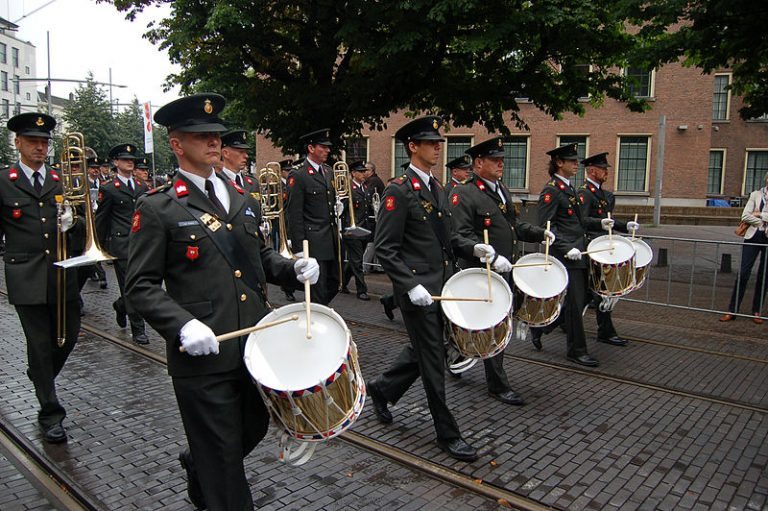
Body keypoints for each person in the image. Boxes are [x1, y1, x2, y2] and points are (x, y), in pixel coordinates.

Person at [125, 93, 320, 510]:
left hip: (252, 345)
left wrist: (292, 268)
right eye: (201, 136)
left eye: (216, 135)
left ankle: (200, 463)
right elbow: (139, 285)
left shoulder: (242, 198)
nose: (214, 142)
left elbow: (259, 258)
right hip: (203, 354)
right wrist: (182, 325)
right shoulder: (158, 206)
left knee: (250, 430)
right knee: (227, 468)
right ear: (176, 143)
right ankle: (212, 472)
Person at [367, 116, 497, 462]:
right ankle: (447, 434)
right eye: (431, 143)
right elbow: (385, 248)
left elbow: (448, 237)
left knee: (426, 351)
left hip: (442, 288)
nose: (439, 147)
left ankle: (381, 390)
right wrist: (409, 285)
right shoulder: (399, 189)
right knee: (433, 360)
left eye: (439, 143)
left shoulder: (438, 187)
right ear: (413, 147)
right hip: (418, 293)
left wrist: (472, 248)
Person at [450, 136, 555, 404]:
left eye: (501, 160)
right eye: (495, 160)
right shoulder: (464, 193)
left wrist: (539, 233)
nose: (500, 164)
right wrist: (487, 253)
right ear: (478, 163)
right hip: (478, 274)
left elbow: (513, 225)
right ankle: (489, 378)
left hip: (502, 271)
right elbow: (459, 236)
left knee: (495, 326)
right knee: (480, 325)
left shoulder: (501, 190)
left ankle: (475, 365)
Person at [0, 112, 81, 443]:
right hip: (26, 275)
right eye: (33, 141)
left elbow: (82, 229)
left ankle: (40, 374)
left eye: (44, 142)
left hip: (63, 273)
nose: (39, 147)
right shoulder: (4, 181)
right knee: (39, 343)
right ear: (18, 143)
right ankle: (50, 411)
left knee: (69, 336)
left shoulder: (62, 181)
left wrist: (72, 225)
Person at [530, 143, 599, 367]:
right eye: (572, 161)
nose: (576, 164)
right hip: (566, 256)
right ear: (559, 163)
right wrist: (565, 247)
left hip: (579, 253)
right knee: (576, 303)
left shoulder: (570, 189)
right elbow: (546, 226)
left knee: (579, 300)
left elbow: (579, 222)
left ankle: (541, 327)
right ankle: (576, 350)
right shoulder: (551, 190)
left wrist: (605, 223)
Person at [578, 152, 641, 345]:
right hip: (592, 247)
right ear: (591, 170)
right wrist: (601, 223)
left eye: (606, 169)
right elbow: (582, 221)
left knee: (590, 293)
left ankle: (551, 325)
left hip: (603, 247)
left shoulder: (603, 195)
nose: (606, 172)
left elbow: (608, 221)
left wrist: (624, 226)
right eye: (603, 169)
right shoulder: (584, 193)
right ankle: (605, 331)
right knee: (601, 290)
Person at [95, 143, 150, 345]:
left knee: (141, 284)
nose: (130, 162)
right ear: (116, 162)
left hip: (142, 243)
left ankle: (120, 305)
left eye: (132, 160)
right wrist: (99, 248)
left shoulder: (142, 187)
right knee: (131, 287)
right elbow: (101, 219)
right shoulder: (109, 188)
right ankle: (138, 329)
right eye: (125, 159)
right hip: (121, 245)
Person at [285, 128, 341, 305]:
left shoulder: (328, 171)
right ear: (311, 148)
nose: (327, 150)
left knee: (334, 283)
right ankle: (317, 322)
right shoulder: (299, 174)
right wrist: (299, 247)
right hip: (313, 242)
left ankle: (320, 313)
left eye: (327, 147)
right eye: (323, 147)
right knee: (318, 289)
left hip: (330, 239)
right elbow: (294, 212)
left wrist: (339, 208)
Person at [720, 171, 768, 324]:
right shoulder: (755, 195)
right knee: (744, 272)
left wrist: (760, 214)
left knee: (764, 275)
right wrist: (761, 221)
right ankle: (732, 310)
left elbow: (754, 215)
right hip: (753, 236)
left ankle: (757, 311)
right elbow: (745, 216)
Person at [341, 160, 372, 300]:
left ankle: (342, 282)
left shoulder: (365, 188)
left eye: (364, 171)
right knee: (358, 261)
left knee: (354, 260)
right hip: (352, 230)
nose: (364, 174)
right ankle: (361, 290)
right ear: (353, 173)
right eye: (360, 171)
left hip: (363, 229)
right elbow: (342, 210)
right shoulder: (348, 189)